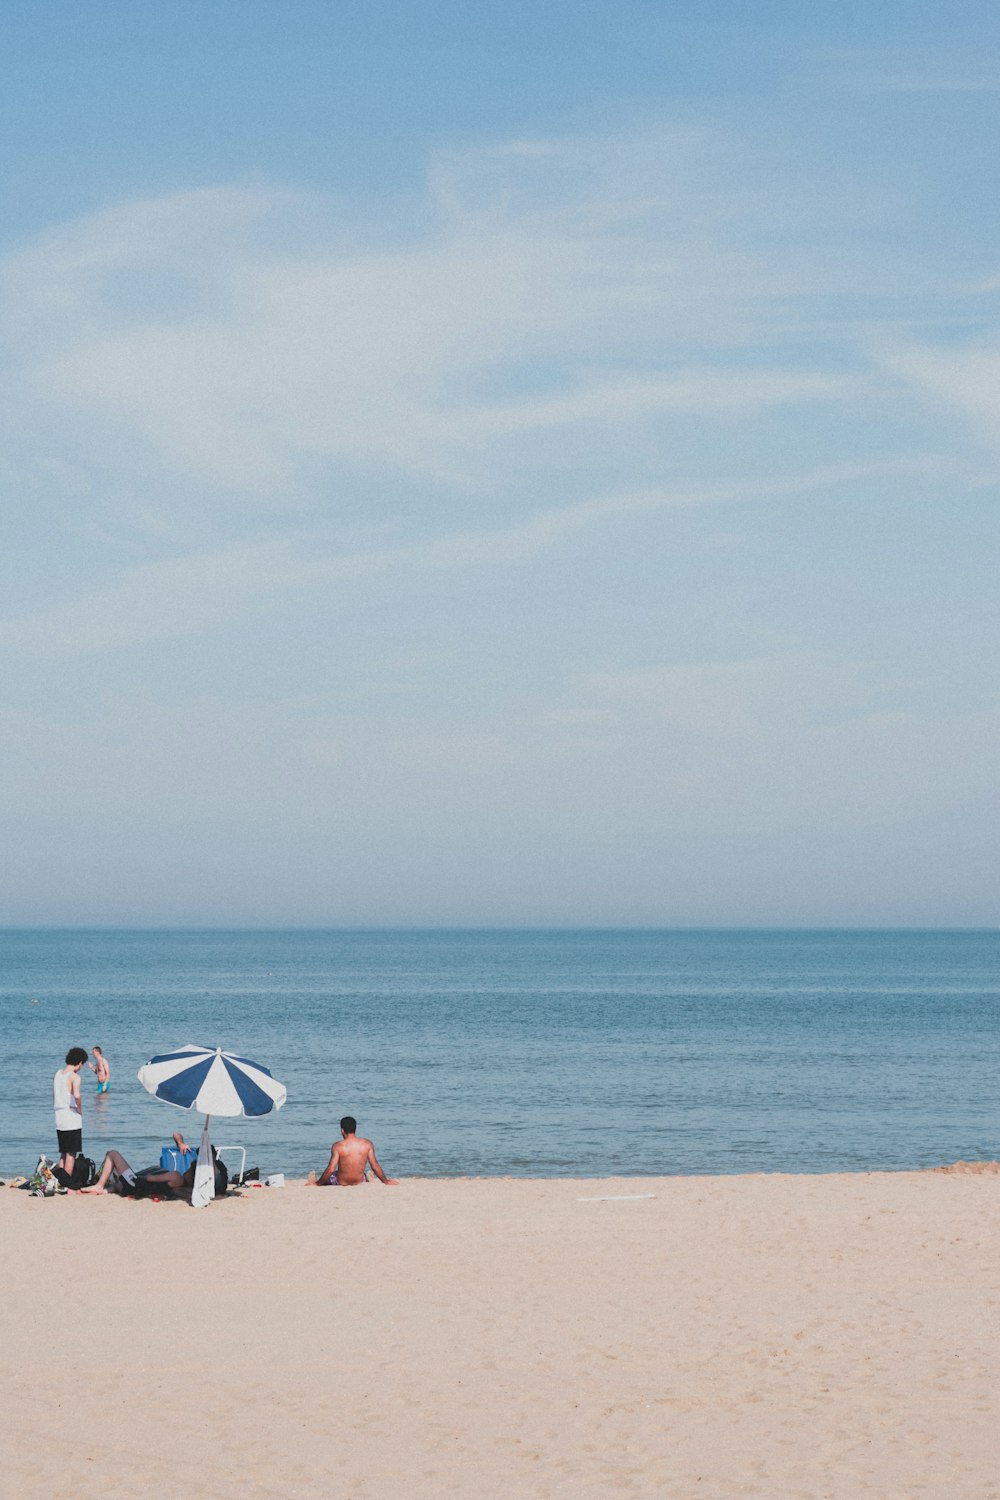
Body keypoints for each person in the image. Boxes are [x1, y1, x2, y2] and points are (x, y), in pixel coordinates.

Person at [78, 1131, 228, 1201]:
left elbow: (149, 1179)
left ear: (191, 1175)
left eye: (189, 1170)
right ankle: (106, 1190)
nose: (187, 1169)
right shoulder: (182, 1188)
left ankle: (98, 1186)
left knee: (113, 1154)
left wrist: (136, 1176)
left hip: (136, 1184)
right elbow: (176, 1134)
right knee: (117, 1186)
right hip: (136, 1189)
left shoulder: (176, 1176)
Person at [307, 1116, 398, 1186]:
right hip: (359, 1181)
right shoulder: (367, 1144)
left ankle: (315, 1180)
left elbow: (331, 1169)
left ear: (342, 1130)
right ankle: (367, 1178)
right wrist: (386, 1181)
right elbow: (374, 1166)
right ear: (355, 1129)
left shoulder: (337, 1146)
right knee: (363, 1174)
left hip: (341, 1182)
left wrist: (318, 1184)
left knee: (330, 1176)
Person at [53, 1048, 88, 1179]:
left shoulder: (57, 1074)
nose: (81, 1067)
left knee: (63, 1152)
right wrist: (80, 1109)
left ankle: (58, 1180)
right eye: (82, 1064)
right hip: (71, 1117)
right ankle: (66, 1182)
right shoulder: (75, 1077)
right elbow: (77, 1096)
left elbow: (54, 1096)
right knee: (71, 1153)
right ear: (79, 1062)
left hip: (59, 1116)